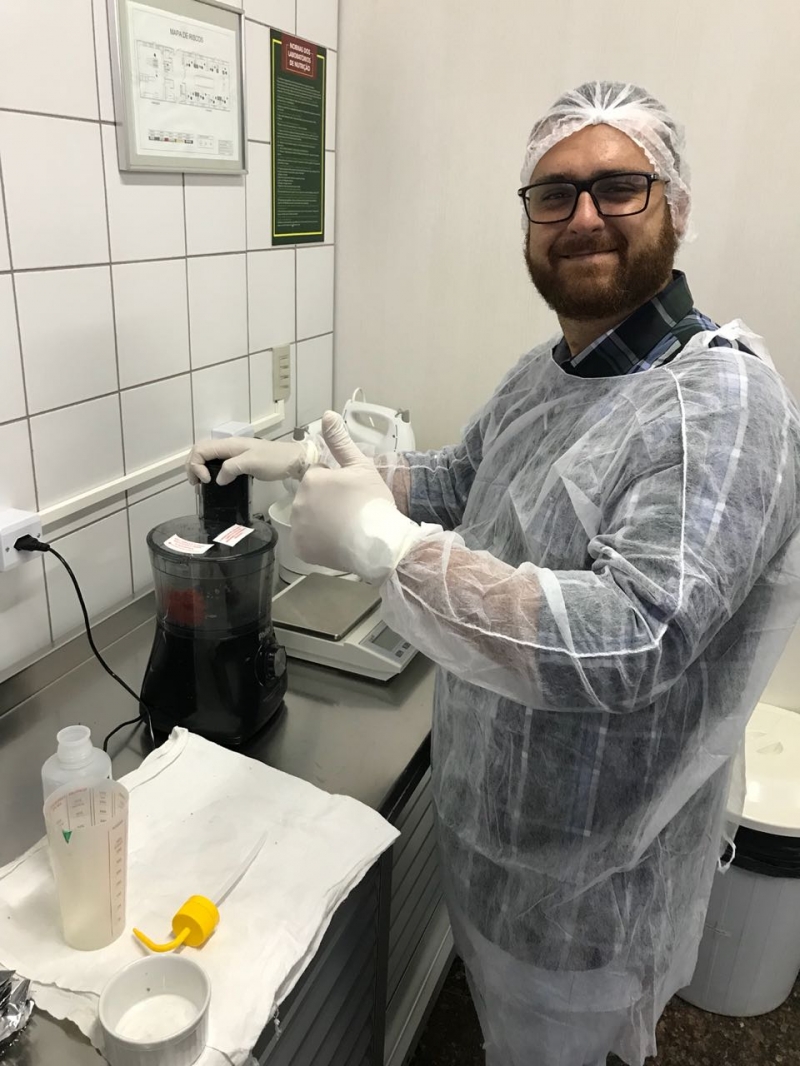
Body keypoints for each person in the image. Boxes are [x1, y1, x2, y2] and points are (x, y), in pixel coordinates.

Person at [187, 82, 800, 1066]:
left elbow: (629, 638)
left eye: (618, 187)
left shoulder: (719, 405)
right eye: (553, 194)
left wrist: (385, 544)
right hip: (497, 834)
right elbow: (458, 479)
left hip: (592, 884)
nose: (582, 216)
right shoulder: (548, 372)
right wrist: (305, 461)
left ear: (675, 207)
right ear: (528, 221)